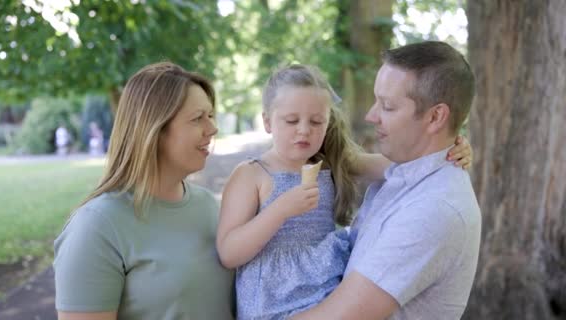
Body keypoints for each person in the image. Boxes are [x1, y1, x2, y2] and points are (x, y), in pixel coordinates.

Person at [216, 64, 473, 319]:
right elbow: (229, 253)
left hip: (327, 292)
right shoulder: (251, 174)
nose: (304, 130)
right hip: (271, 303)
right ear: (267, 121)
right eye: (291, 120)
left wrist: (450, 150)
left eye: (317, 121)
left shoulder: (330, 163)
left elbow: (407, 165)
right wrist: (280, 210)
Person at [293, 41, 481, 319]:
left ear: (436, 117)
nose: (371, 115)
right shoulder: (409, 171)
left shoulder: (432, 210)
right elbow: (346, 161)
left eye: (388, 106)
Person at [53, 62, 234, 320]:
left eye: (211, 116)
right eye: (197, 119)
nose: (212, 129)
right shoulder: (96, 226)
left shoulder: (207, 205)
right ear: (154, 130)